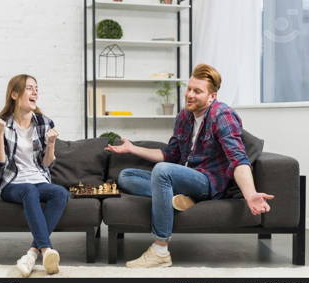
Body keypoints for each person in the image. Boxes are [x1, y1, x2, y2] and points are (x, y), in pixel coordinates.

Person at [105, 64, 274, 268]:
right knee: (126, 176)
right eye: (189, 88)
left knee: (162, 171)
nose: (190, 95)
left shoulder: (222, 115)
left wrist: (250, 194)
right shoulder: (185, 116)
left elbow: (238, 159)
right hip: (186, 177)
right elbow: (170, 154)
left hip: (207, 182)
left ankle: (160, 250)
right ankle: (178, 199)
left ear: (212, 96)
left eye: (197, 91)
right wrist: (132, 149)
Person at [0, 74, 69, 276]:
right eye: (29, 88)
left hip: (38, 179)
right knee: (29, 190)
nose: (35, 92)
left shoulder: (44, 122)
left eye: (36, 88)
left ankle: (33, 254)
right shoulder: (1, 124)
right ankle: (45, 249)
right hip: (12, 183)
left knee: (60, 193)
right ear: (15, 94)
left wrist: (51, 145)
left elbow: (47, 164)